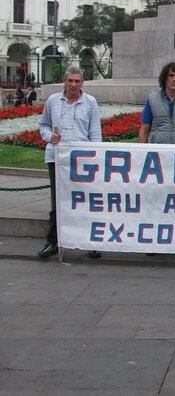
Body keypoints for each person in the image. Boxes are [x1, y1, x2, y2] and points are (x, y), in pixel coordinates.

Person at [37, 67, 102, 259]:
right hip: (57, 157)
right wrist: (50, 136)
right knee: (57, 200)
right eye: (70, 81)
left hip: (83, 160)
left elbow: (95, 133)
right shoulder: (53, 101)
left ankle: (92, 242)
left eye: (77, 81)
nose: (73, 85)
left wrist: (95, 157)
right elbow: (43, 124)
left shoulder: (90, 103)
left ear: (82, 83)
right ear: (64, 82)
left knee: (86, 200)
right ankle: (53, 242)